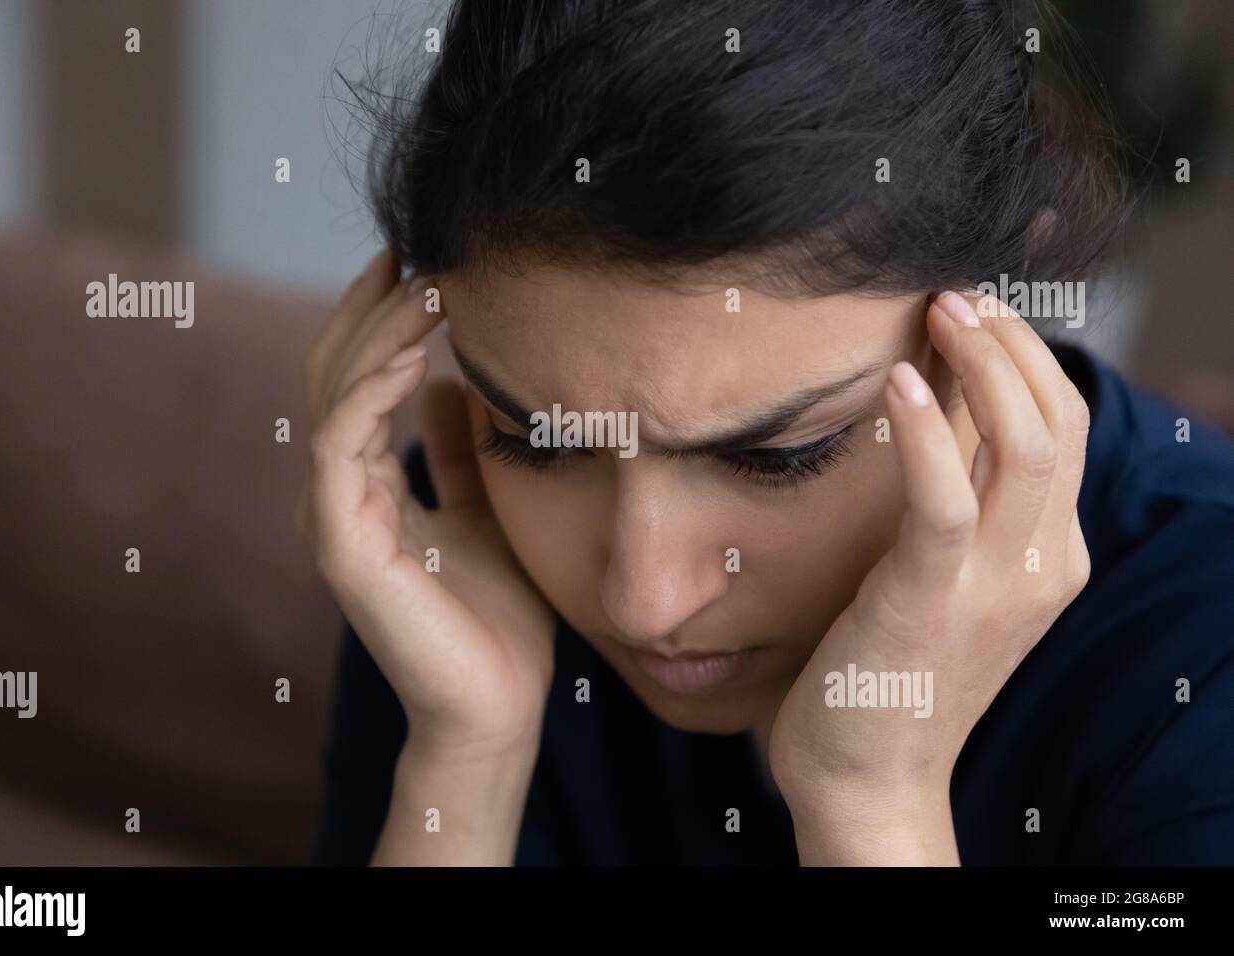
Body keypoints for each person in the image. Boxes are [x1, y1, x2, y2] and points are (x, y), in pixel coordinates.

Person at [298, 0, 1234, 865]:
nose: (643, 600)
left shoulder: (1201, 657)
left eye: (777, 455)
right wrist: (465, 760)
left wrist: (873, 799)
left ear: (995, 327)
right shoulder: (450, 555)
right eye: (536, 442)